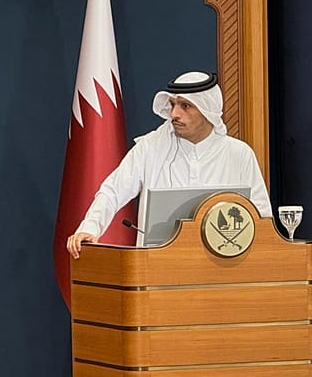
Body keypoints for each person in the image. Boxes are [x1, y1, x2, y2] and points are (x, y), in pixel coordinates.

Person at [66, 70, 272, 259]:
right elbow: (112, 191)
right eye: (173, 104)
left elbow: (262, 216)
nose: (174, 114)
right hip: (158, 269)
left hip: (223, 270)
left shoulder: (238, 154)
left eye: (185, 106)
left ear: (207, 110)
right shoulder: (150, 148)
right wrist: (90, 228)